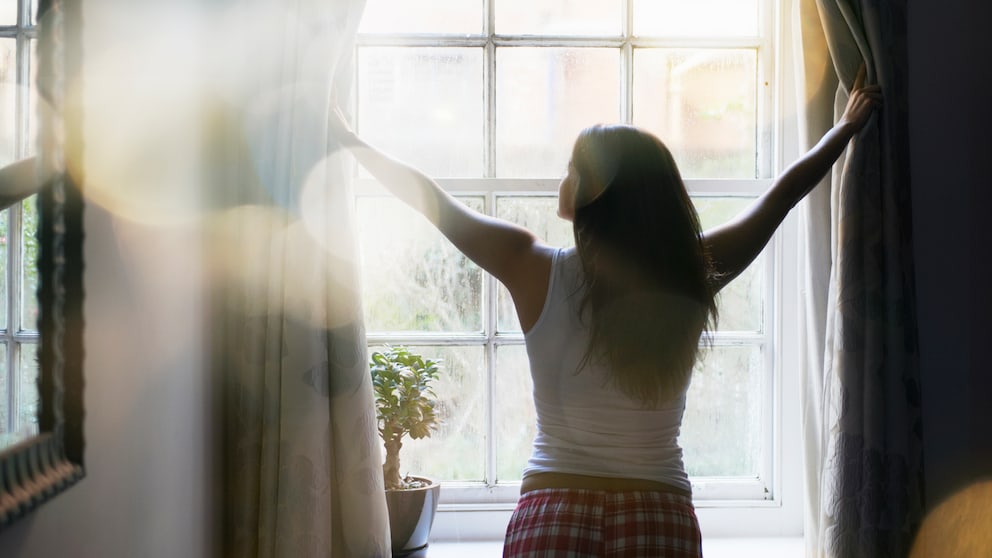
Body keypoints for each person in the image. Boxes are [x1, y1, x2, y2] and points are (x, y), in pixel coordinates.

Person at [330, 64, 881, 557]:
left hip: (552, 515)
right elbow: (779, 199)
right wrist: (843, 130)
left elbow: (434, 203)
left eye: (572, 169)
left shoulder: (529, 266)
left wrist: (353, 144)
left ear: (596, 194)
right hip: (659, 515)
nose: (561, 179)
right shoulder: (691, 270)